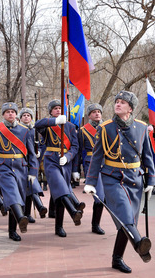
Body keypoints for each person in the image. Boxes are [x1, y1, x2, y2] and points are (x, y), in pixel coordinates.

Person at [84, 91, 155, 274]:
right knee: (125, 214)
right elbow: (97, 155)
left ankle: (117, 259)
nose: (118, 104)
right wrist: (91, 181)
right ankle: (140, 244)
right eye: (117, 102)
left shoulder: (141, 127)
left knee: (127, 223)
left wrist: (151, 180)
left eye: (123, 102)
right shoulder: (105, 127)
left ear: (130, 108)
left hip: (135, 179)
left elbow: (147, 155)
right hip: (112, 177)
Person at [0, 102, 39, 241]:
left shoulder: (24, 130)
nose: (10, 114)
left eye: (13, 112)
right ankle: (21, 218)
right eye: (7, 112)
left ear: (16, 114)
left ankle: (13, 230)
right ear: (3, 115)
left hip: (21, 167)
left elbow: (31, 153)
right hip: (3, 166)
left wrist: (33, 172)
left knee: (18, 197)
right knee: (12, 193)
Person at [35, 99, 83, 238]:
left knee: (59, 194)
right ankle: (73, 212)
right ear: (50, 111)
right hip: (51, 161)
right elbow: (36, 125)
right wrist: (54, 122)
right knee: (62, 189)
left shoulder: (70, 126)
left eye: (60, 108)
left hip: (65, 163)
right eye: (55, 108)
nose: (58, 110)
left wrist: (68, 157)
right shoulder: (49, 124)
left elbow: (75, 147)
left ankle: (59, 226)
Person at [78, 103, 106, 235]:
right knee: (99, 196)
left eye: (99, 111)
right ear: (89, 115)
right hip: (91, 164)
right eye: (94, 112)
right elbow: (79, 151)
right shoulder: (83, 131)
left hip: (107, 164)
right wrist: (76, 169)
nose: (97, 114)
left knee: (107, 197)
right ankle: (95, 225)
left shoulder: (107, 127)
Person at [19, 107, 48, 223]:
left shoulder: (35, 130)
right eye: (24, 115)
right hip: (21, 161)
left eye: (28, 115)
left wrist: (39, 152)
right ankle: (23, 212)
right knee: (26, 188)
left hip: (33, 162)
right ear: (20, 118)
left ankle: (28, 213)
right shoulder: (18, 130)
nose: (26, 117)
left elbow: (41, 144)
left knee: (31, 186)